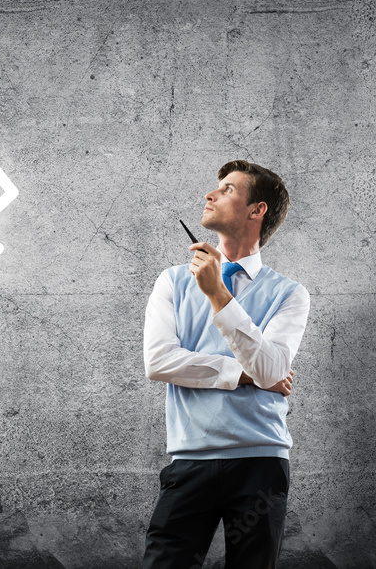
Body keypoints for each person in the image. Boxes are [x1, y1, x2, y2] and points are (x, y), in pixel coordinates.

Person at [141, 160, 310, 569]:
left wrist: (218, 294)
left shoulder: (290, 294)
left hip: (261, 463)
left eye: (229, 189)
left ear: (257, 210)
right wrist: (244, 373)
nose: (210, 194)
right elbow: (159, 362)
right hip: (191, 459)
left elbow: (274, 373)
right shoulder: (172, 281)